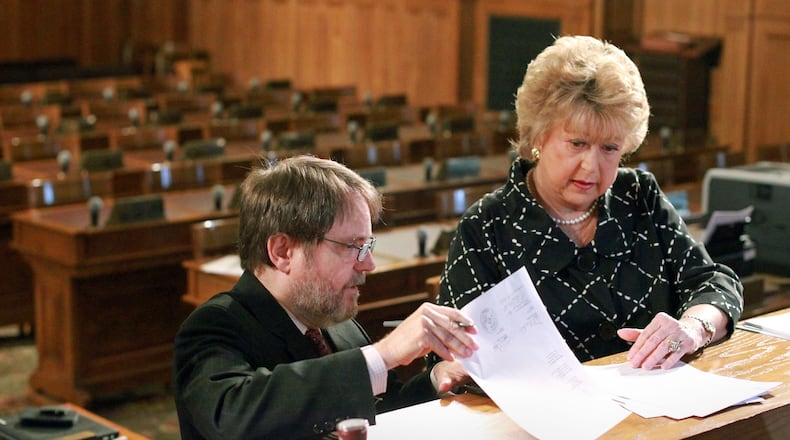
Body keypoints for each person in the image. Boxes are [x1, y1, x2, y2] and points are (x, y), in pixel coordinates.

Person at [432, 35, 743, 374]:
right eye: (577, 144)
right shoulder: (487, 226)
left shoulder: (638, 195)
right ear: (538, 136)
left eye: (609, 148)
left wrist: (693, 329)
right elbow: (451, 356)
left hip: (655, 414)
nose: (591, 167)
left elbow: (714, 284)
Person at [173, 155, 478, 439]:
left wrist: (437, 378)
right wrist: (383, 355)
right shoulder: (215, 326)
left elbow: (381, 412)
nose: (368, 263)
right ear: (282, 251)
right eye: (352, 246)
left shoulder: (337, 324)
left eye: (367, 246)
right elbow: (233, 415)